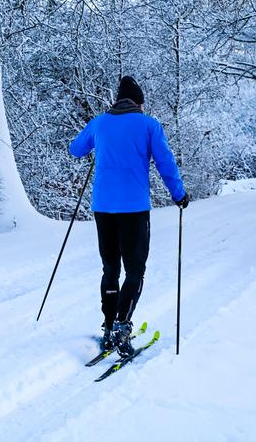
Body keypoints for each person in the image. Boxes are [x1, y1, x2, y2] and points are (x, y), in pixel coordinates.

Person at [69, 75, 190, 357]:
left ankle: (109, 323)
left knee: (110, 268)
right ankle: (122, 326)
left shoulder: (100, 123)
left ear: (117, 100)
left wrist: (98, 145)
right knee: (135, 270)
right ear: (139, 102)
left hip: (103, 207)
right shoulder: (149, 125)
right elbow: (165, 162)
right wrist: (178, 195)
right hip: (134, 209)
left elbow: (76, 149)